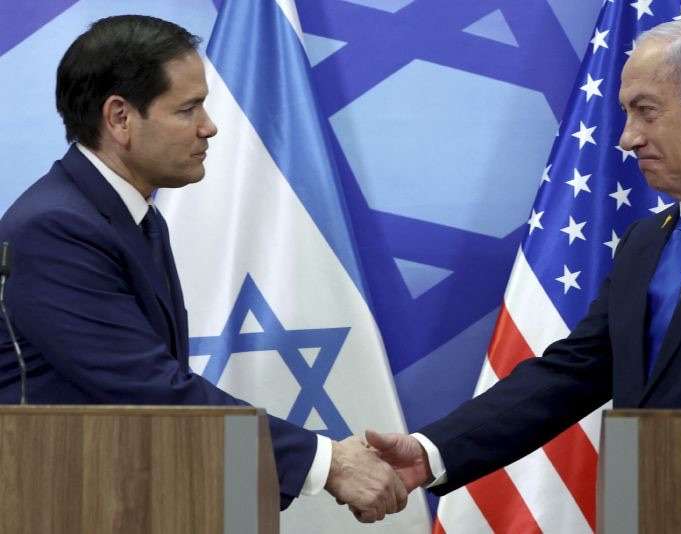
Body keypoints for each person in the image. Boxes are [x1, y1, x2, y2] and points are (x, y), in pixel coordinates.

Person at [366, 16, 681, 499]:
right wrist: (431, 453)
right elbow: (574, 373)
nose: (627, 138)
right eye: (625, 114)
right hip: (644, 512)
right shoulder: (647, 243)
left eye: (645, 111)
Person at [0, 15, 405, 522]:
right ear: (120, 118)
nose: (209, 126)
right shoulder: (56, 228)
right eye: (188, 108)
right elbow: (145, 389)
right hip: (61, 504)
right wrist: (326, 462)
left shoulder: (132, 215)